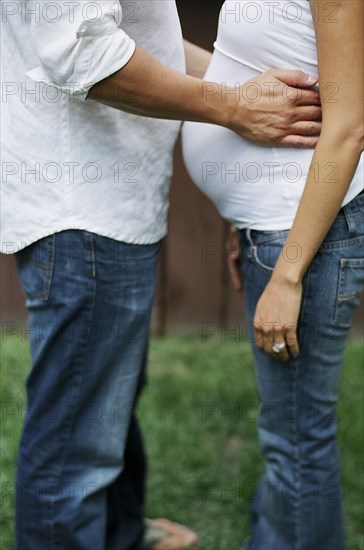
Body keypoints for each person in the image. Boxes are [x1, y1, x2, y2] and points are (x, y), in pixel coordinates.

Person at [1, 1, 323, 548]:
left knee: (103, 387)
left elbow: (134, 35)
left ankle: (118, 531)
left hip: (104, 199)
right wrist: (232, 105)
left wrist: (245, 83)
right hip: (82, 204)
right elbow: (81, 47)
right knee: (75, 442)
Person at [182, 0, 363, 548]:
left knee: (297, 442)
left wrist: (287, 275)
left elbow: (349, 129)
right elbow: (236, 68)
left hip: (305, 240)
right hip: (276, 230)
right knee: (288, 434)